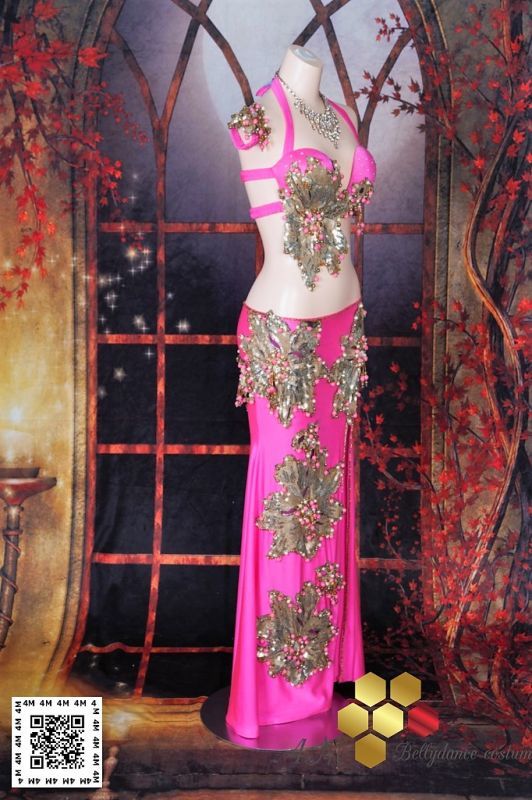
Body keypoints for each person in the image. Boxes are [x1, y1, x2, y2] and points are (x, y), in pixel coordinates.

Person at [225, 43, 377, 740]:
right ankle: (275, 691)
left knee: (329, 500)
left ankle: (321, 672)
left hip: (343, 328)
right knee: (290, 503)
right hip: (283, 329)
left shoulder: (338, 116)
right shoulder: (258, 117)